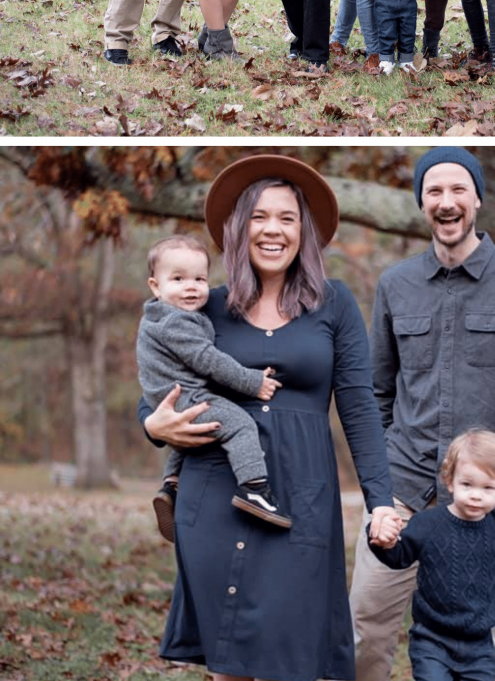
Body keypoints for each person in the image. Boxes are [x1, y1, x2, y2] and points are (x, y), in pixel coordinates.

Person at [138, 154, 402, 681]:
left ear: (303, 229)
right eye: (259, 216)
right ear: (238, 228)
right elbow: (156, 379)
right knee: (228, 661)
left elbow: (358, 406)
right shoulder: (201, 304)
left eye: (286, 217)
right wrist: (151, 424)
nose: (273, 229)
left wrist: (380, 501)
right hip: (213, 490)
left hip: (301, 495)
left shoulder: (333, 304)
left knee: (291, 656)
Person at [349, 146, 495, 681]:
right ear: (421, 202)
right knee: (365, 628)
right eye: (434, 191)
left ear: (478, 198)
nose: (446, 202)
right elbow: (376, 395)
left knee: (481, 641)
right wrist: (379, 493)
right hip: (404, 486)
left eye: (457, 190)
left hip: (485, 493)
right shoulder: (395, 285)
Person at [368, 430, 495, 681]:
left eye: (487, 487)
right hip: (431, 640)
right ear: (450, 481)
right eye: (467, 484)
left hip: (480, 645)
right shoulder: (427, 525)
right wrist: (382, 540)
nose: (475, 494)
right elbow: (399, 556)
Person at [136, 233, 290, 544]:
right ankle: (254, 489)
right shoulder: (176, 323)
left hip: (168, 394)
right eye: (178, 279)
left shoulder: (161, 316)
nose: (190, 286)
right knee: (239, 425)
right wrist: (252, 382)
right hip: (184, 396)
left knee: (191, 437)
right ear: (155, 286)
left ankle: (172, 485)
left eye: (199, 278)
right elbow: (208, 360)